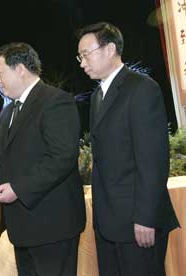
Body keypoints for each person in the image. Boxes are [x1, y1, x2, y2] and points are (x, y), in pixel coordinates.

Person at [0, 42, 86, 275]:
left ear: (20, 69)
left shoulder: (56, 101)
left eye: (0, 73)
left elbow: (61, 157)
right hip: (22, 226)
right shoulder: (8, 111)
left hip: (52, 226)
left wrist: (19, 188)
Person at [76, 22, 179, 276]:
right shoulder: (98, 96)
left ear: (110, 49)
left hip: (138, 222)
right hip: (109, 223)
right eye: (79, 56)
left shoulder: (142, 88)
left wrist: (146, 217)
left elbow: (153, 160)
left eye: (85, 54)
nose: (81, 62)